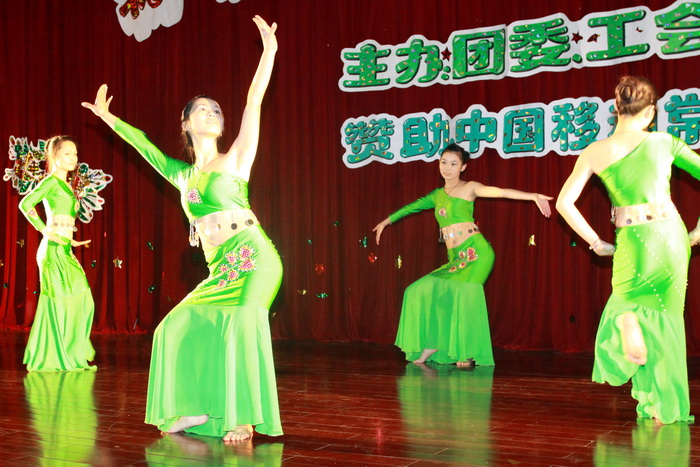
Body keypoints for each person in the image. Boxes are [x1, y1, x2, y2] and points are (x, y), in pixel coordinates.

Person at [82, 16, 281, 442]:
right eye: (202, 109)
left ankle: (243, 418)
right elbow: (144, 146)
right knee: (174, 327)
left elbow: (254, 101)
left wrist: (269, 53)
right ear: (187, 124)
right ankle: (196, 409)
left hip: (253, 258)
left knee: (240, 328)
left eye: (216, 110)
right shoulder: (182, 175)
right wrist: (108, 118)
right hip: (220, 268)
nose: (212, 113)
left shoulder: (237, 157)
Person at [556, 75, 700, 424]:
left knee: (625, 299)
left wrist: (595, 242)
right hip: (671, 237)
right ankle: (663, 408)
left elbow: (563, 203)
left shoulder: (595, 151)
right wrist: (698, 230)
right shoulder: (665, 142)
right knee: (667, 320)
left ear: (616, 108)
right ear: (651, 112)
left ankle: (627, 321)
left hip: (633, 240)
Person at [374, 143, 552, 367]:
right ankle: (434, 344)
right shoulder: (436, 196)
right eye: (444, 162)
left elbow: (500, 192)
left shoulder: (470, 188)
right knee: (421, 292)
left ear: (463, 167)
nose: (447, 168)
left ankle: (466, 353)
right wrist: (385, 222)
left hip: (476, 253)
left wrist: (532, 196)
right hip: (456, 258)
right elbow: (411, 207)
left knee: (466, 300)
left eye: (453, 163)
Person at [19, 135, 95, 372]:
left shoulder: (66, 185)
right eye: (67, 154)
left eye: (75, 154)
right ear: (54, 156)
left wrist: (70, 240)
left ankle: (69, 352)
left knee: (84, 300)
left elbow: (60, 219)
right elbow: (25, 204)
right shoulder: (51, 182)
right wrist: (43, 230)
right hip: (52, 252)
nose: (73, 158)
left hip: (64, 249)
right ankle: (57, 357)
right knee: (60, 304)